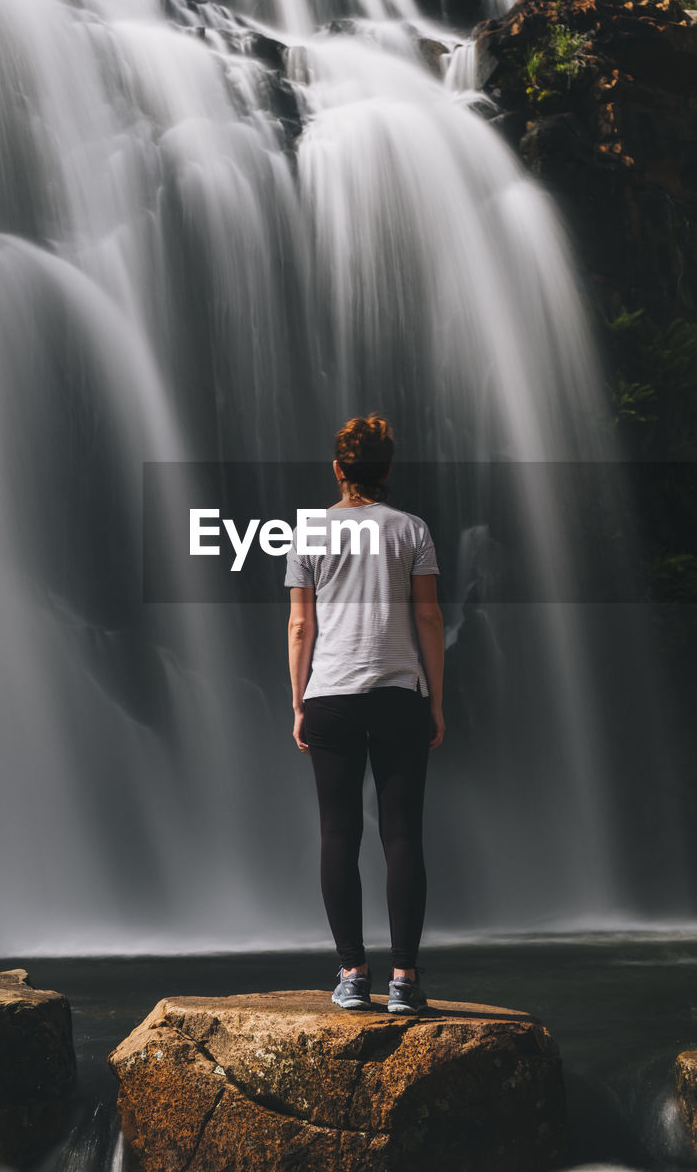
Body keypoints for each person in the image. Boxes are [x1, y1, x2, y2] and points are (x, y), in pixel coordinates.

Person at [284, 414, 444, 1015]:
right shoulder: (412, 531)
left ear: (339, 470)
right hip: (398, 694)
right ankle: (404, 980)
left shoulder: (310, 534)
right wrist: (435, 699)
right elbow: (428, 617)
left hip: (330, 696)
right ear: (387, 470)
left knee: (337, 833)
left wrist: (299, 701)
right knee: (402, 834)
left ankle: (353, 974)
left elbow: (302, 624)